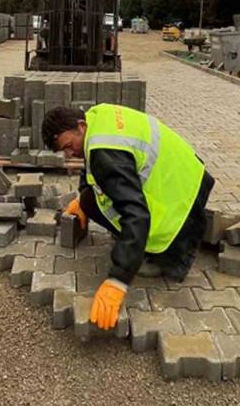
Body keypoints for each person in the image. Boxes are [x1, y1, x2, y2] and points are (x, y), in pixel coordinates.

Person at [41, 104, 215, 330]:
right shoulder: (97, 119)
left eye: (68, 146)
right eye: (63, 151)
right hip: (189, 175)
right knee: (90, 200)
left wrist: (118, 279)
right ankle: (134, 244)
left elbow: (137, 214)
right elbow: (93, 168)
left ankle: (159, 254)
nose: (69, 154)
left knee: (142, 229)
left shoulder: (104, 152)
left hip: (183, 200)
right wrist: (82, 199)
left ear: (80, 127)